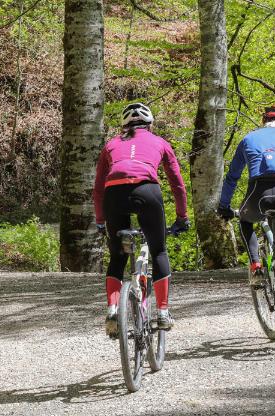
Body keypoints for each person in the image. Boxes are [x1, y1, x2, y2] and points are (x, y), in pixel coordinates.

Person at [93, 103, 190, 337]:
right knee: (158, 251)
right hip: (147, 191)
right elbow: (177, 183)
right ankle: (163, 312)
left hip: (114, 194)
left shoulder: (111, 145)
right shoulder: (161, 143)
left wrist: (100, 219)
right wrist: (181, 216)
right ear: (150, 124)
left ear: (124, 125)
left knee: (117, 255)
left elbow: (97, 188)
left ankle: (113, 310)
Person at [216, 106, 275, 328]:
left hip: (257, 193)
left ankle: (256, 266)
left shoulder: (248, 139)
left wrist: (224, 206)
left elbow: (232, 176)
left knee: (246, 221)